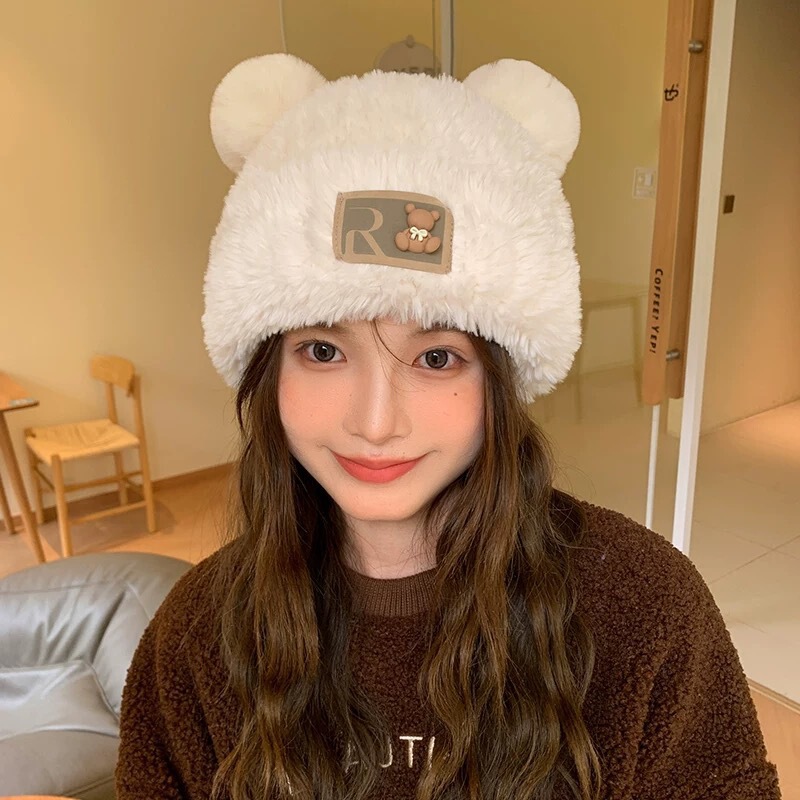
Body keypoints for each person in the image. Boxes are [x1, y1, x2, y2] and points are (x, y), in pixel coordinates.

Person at [116, 54, 780, 800]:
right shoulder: (197, 637)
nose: (374, 423)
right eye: (324, 350)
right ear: (269, 371)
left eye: (436, 357)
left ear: (501, 380)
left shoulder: (645, 609)